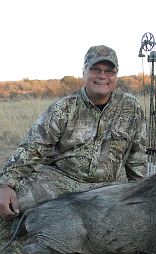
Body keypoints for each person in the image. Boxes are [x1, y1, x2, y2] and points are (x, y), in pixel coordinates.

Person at [0, 45, 147, 219]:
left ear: (116, 76)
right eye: (95, 69)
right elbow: (32, 149)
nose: (102, 76)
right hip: (57, 182)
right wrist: (5, 185)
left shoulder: (131, 107)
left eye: (109, 71)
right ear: (84, 72)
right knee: (10, 205)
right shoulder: (62, 109)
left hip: (106, 188)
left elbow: (137, 158)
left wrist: (142, 193)